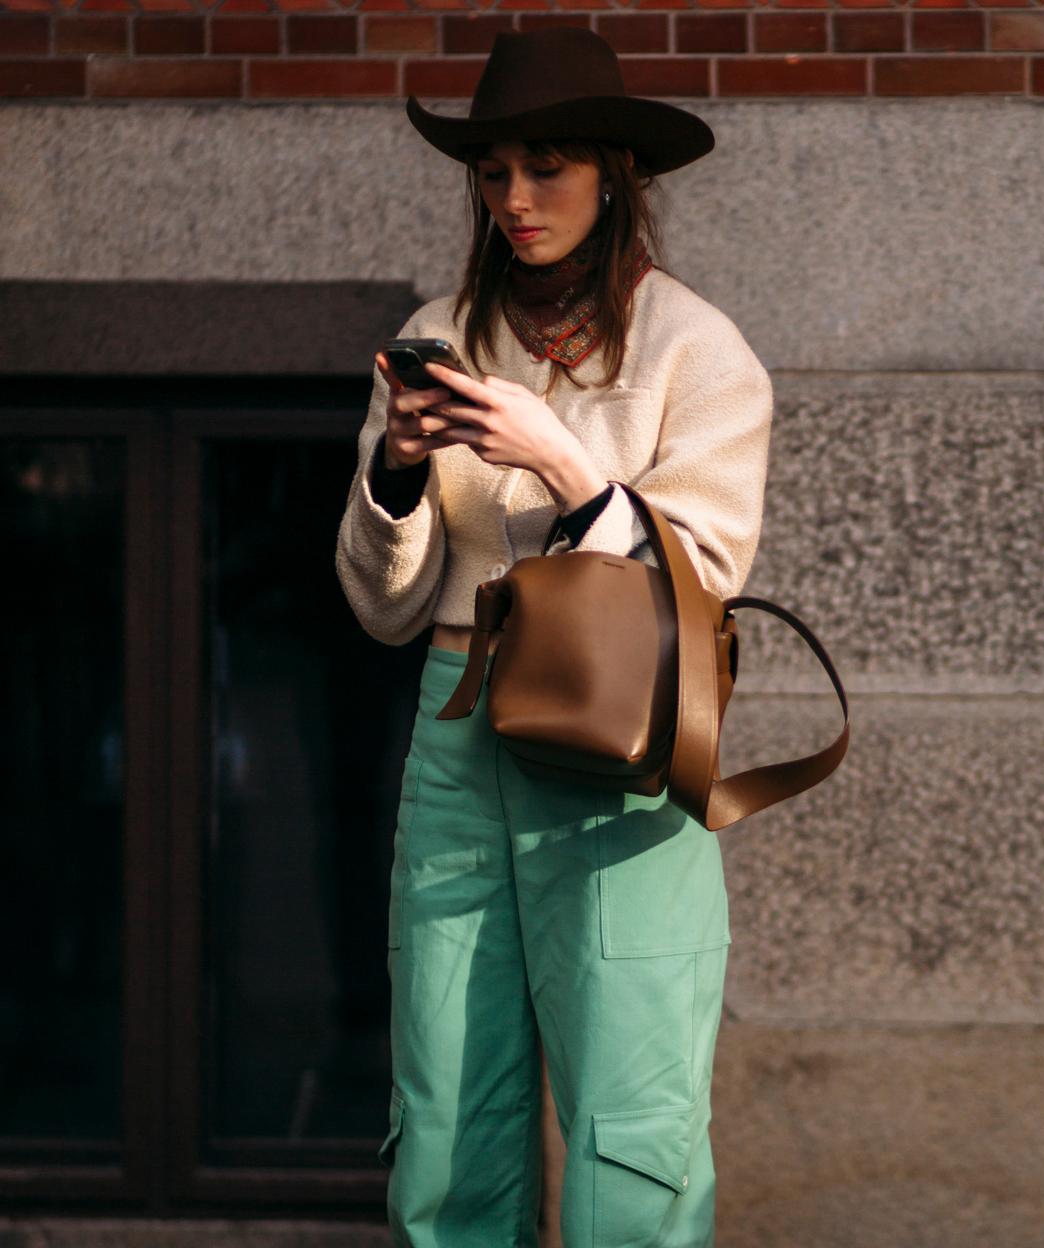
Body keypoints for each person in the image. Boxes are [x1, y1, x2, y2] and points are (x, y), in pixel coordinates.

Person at [334, 26, 772, 1248]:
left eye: (551, 169)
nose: (516, 202)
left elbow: (705, 579)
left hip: (618, 745)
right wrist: (401, 468)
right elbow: (381, 606)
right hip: (455, 719)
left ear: (617, 175)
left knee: (633, 1118)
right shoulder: (441, 329)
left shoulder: (700, 352)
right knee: (445, 1116)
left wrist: (563, 461)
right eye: (495, 173)